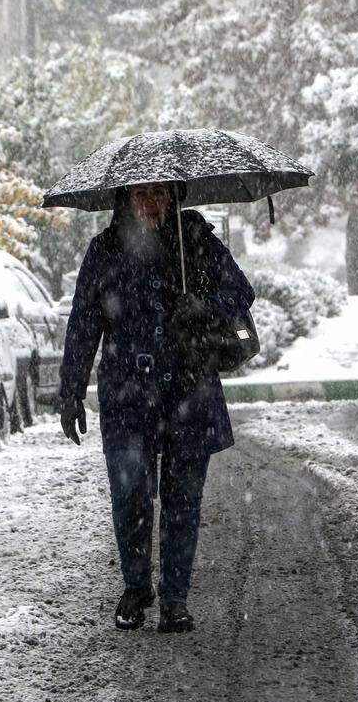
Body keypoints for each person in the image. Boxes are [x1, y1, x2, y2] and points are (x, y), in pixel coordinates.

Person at [57, 181, 254, 633]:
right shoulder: (105, 250)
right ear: (124, 199)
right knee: (130, 496)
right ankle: (136, 586)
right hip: (127, 395)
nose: (152, 203)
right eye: (142, 194)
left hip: (189, 388)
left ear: (174, 196)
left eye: (161, 193)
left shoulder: (195, 240)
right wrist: (70, 390)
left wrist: (203, 306)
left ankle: (175, 599)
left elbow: (240, 291)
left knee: (183, 500)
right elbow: (84, 323)